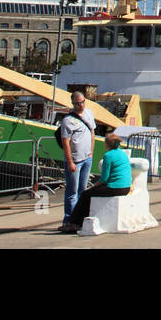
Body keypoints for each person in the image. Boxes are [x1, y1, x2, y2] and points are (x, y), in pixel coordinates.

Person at [64, 132, 133, 231]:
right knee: (89, 194)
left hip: (115, 187)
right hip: (126, 187)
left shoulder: (108, 155)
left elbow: (104, 179)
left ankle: (75, 223)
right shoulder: (122, 153)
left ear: (106, 144)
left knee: (85, 195)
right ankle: (78, 221)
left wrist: (93, 186)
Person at [58, 91, 97, 232]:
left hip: (87, 158)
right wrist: (70, 162)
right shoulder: (68, 121)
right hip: (75, 160)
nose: (81, 105)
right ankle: (69, 220)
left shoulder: (89, 114)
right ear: (73, 104)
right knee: (72, 192)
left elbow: (92, 134)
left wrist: (91, 153)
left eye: (83, 102)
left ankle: (79, 220)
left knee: (82, 191)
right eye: (78, 103)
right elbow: (66, 143)